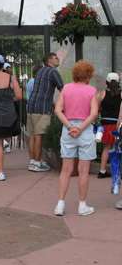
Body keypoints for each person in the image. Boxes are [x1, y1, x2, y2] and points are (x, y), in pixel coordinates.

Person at [54, 60, 98, 217]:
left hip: (68, 131)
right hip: (84, 131)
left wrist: (69, 126)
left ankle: (60, 204)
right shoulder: (92, 91)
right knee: (83, 171)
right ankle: (82, 205)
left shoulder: (65, 89)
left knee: (66, 170)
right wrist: (80, 127)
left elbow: (58, 110)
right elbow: (93, 113)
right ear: (88, 75)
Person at [27, 52, 63, 172]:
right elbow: (63, 89)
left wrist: (53, 103)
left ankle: (32, 161)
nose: (58, 59)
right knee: (39, 135)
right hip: (42, 108)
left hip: (31, 107)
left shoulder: (40, 71)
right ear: (49, 60)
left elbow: (43, 90)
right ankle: (37, 163)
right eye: (55, 58)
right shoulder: (53, 72)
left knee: (32, 135)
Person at [97, 72, 122, 178]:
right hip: (118, 123)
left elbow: (97, 109)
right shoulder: (121, 94)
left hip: (105, 124)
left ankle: (102, 171)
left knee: (106, 147)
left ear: (106, 82)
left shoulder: (102, 94)